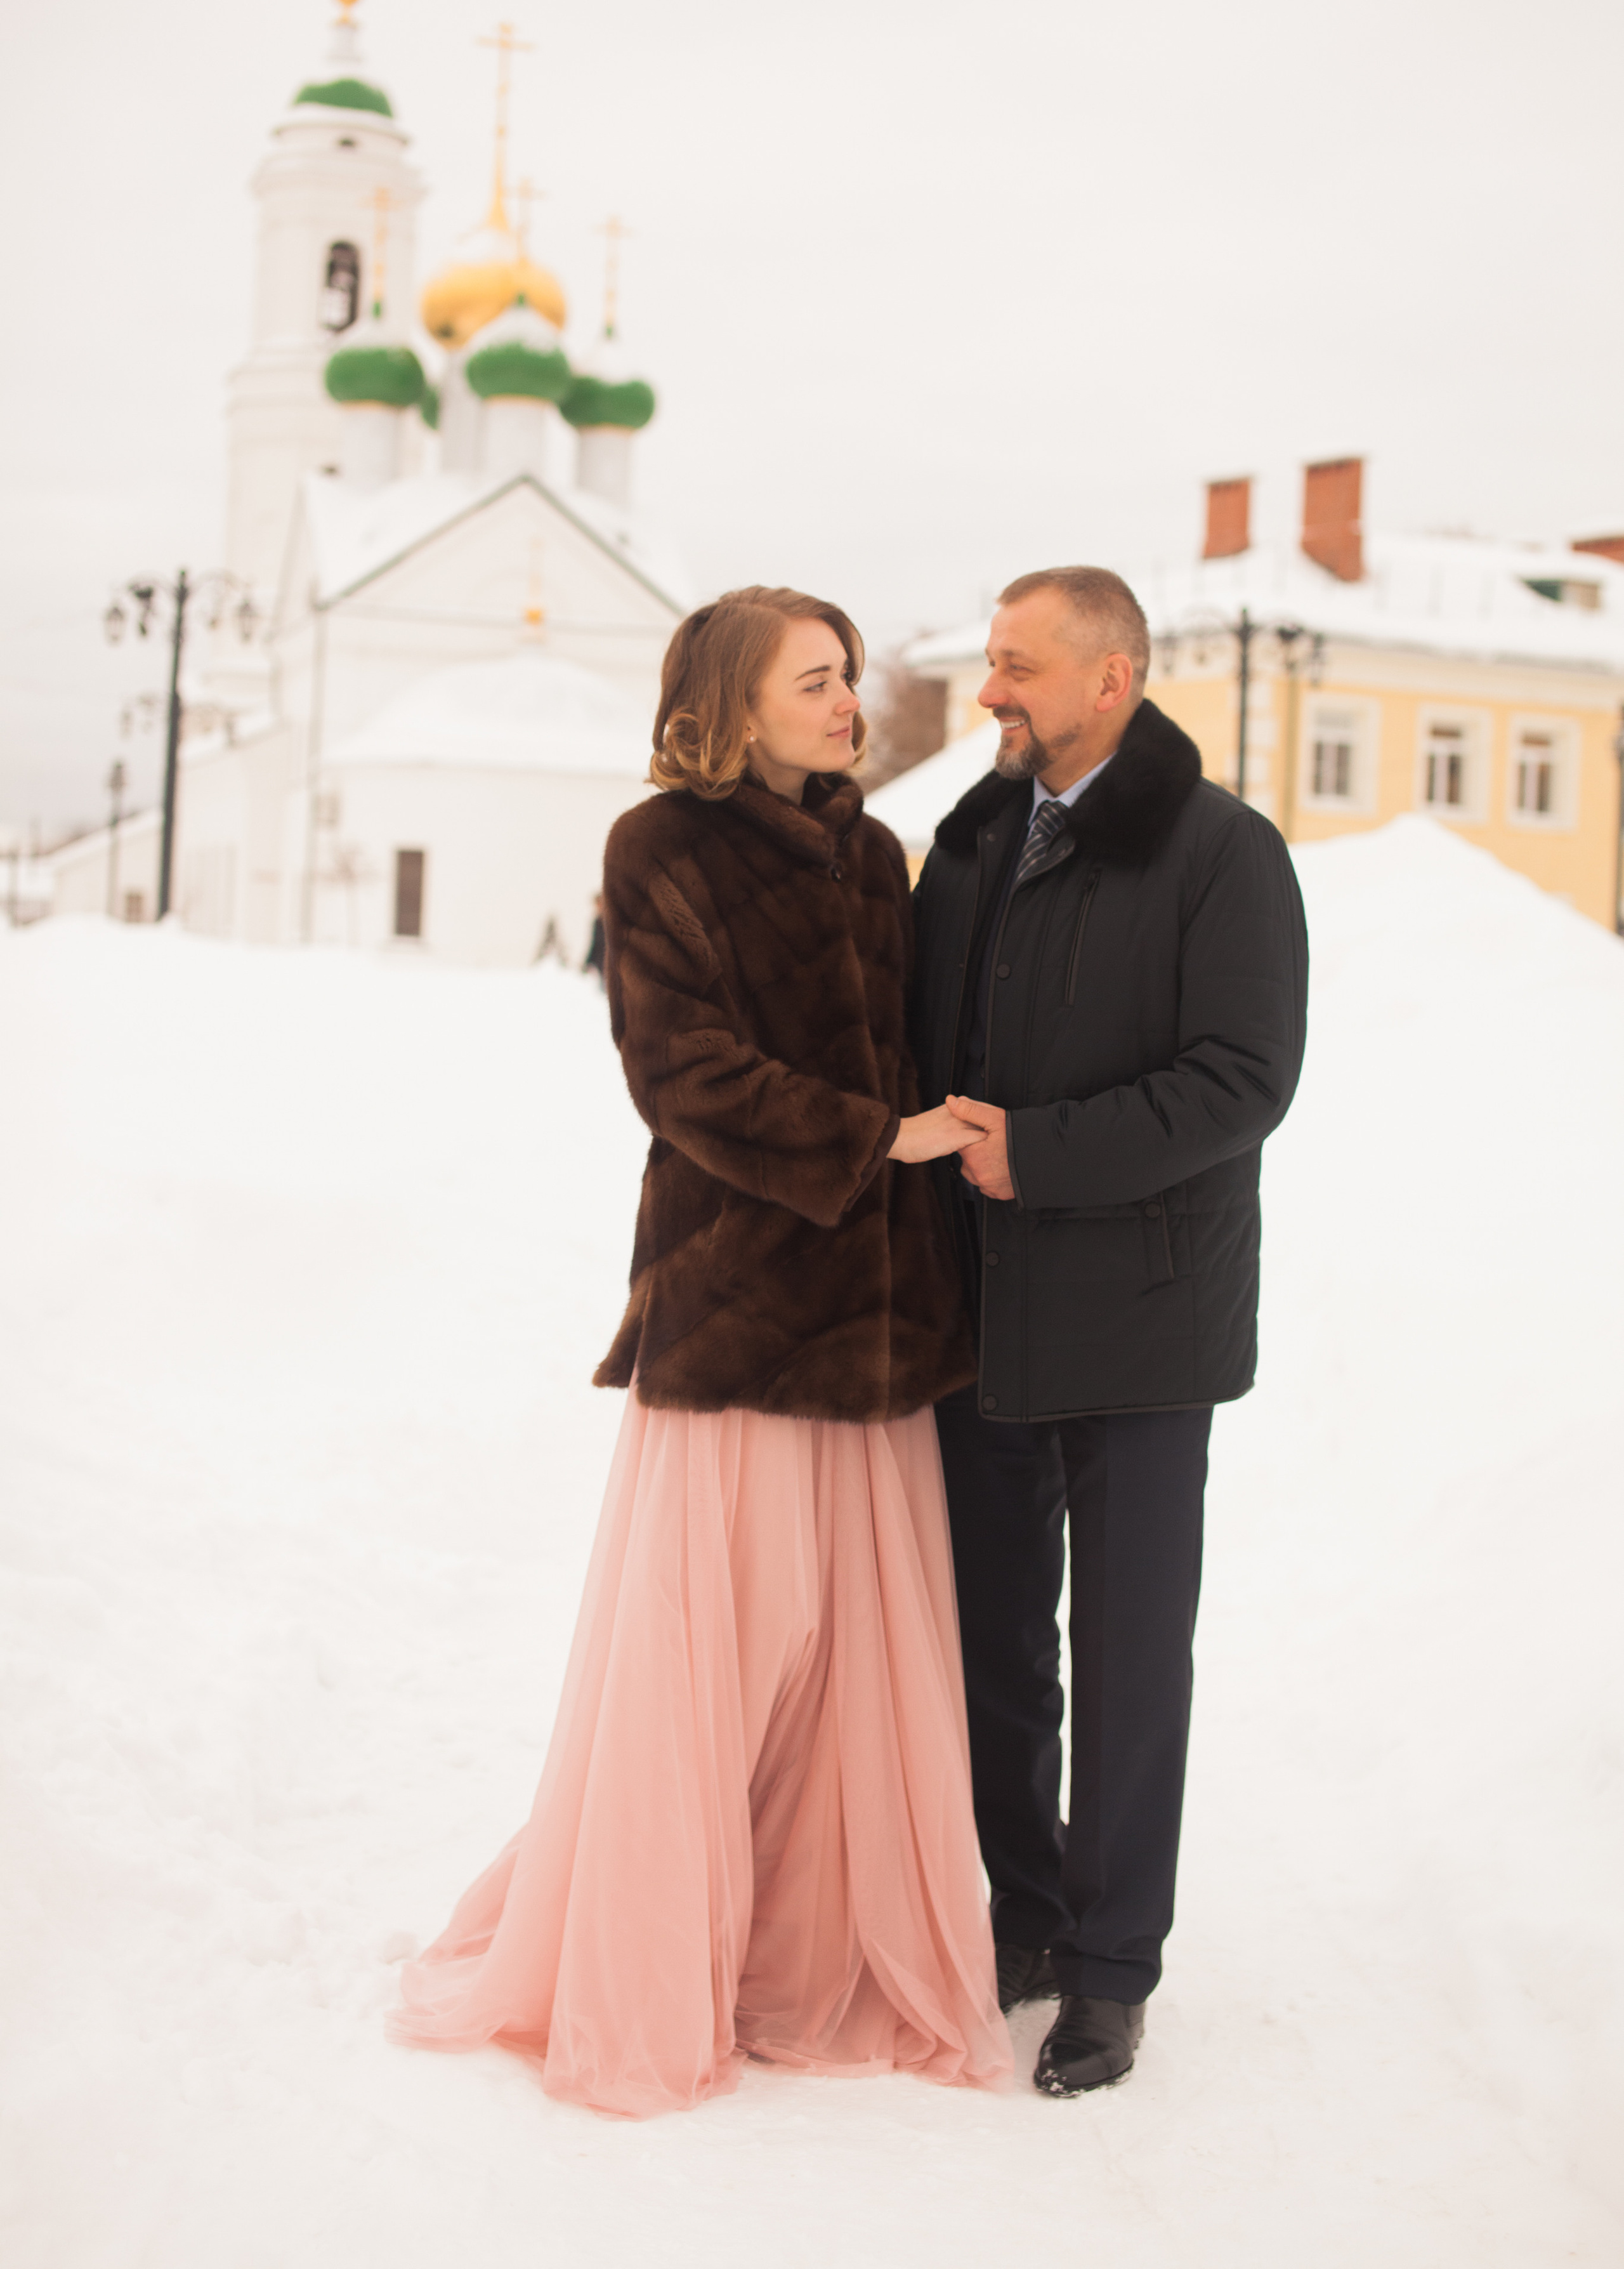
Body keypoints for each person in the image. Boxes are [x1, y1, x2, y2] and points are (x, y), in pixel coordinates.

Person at [391, 585, 1012, 2117]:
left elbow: (919, 1055)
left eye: (849, 675)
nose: (846, 700)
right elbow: (685, 1079)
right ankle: (652, 1966)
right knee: (711, 1665)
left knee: (854, 1676)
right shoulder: (656, 848)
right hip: (738, 1317)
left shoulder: (878, 855)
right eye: (815, 679)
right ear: (732, 705)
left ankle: (811, 1964)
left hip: (874, 1334)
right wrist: (890, 1136)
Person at [910, 566, 1309, 2098]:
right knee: (995, 1647)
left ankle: (1109, 1969)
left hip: (1145, 1329)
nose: (991, 689)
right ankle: (1021, 1917)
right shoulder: (967, 843)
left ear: (1111, 680)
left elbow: (1242, 1080)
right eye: (992, 662)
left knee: (1132, 1657)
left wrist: (1043, 1152)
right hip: (981, 1317)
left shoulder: (1223, 855)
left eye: (1017, 665)